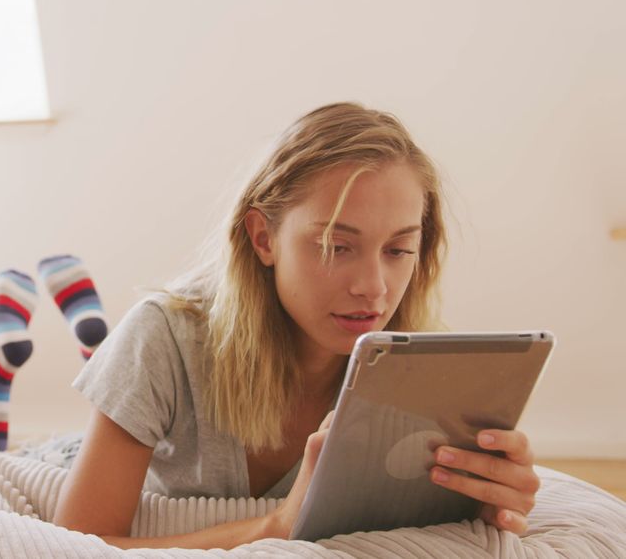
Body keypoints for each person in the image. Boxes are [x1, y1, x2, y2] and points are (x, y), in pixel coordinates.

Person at [50, 102, 541, 550]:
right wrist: (272, 529)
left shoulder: (418, 372)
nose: (374, 288)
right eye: (335, 246)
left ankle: (93, 342)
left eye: (398, 250)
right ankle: (87, 345)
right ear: (264, 237)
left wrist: (473, 499)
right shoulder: (164, 338)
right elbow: (73, 546)